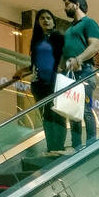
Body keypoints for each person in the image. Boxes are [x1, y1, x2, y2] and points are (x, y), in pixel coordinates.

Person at [60, 0, 99, 149]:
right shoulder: (70, 28)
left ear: (76, 4)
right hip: (70, 73)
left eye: (67, 4)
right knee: (73, 111)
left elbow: (94, 46)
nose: (65, 8)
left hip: (85, 72)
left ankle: (91, 145)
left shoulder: (89, 23)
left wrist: (79, 59)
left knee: (85, 109)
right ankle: (76, 146)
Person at [26, 9, 67, 155]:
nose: (46, 20)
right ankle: (51, 148)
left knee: (57, 114)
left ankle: (59, 147)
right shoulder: (37, 39)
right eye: (42, 18)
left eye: (48, 18)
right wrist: (27, 72)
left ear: (53, 21)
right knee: (46, 116)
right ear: (38, 22)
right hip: (38, 83)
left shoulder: (58, 37)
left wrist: (62, 67)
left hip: (54, 81)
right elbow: (34, 61)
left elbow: (65, 55)